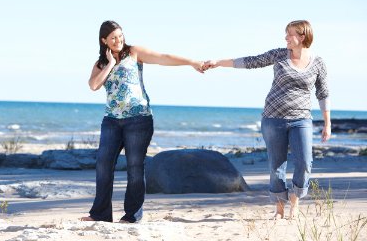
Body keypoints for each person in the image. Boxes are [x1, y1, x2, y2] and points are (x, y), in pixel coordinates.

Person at [203, 20, 331, 220]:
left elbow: (322, 93)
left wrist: (327, 123)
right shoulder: (279, 55)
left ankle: (295, 202)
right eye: (286, 34)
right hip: (273, 119)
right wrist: (218, 62)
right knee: (276, 165)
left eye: (290, 34)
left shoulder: (318, 62)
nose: (286, 38)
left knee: (305, 162)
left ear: (302, 36)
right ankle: (279, 208)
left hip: (301, 119)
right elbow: (252, 61)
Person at [81, 20, 204, 223]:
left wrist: (191, 62)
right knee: (103, 165)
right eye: (113, 38)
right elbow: (93, 85)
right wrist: (111, 63)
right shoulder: (101, 63)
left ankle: (132, 215)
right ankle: (100, 214)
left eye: (120, 36)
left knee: (135, 168)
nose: (118, 40)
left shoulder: (134, 52)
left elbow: (163, 57)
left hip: (138, 120)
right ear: (104, 40)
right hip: (111, 121)